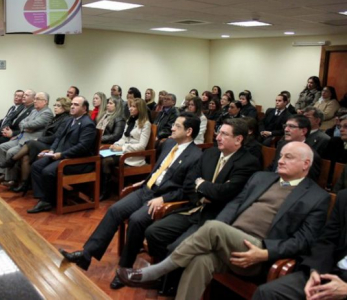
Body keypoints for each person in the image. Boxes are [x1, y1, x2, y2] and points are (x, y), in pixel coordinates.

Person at [118, 142, 330, 300]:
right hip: (227, 239)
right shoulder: (261, 178)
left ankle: (156, 271)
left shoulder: (316, 197)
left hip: (256, 252)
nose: (281, 160)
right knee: (200, 260)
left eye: (289, 157)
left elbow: (303, 240)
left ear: (306, 164)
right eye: (281, 155)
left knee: (212, 227)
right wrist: (222, 232)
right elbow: (234, 206)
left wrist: (265, 252)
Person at [59, 113, 203, 289]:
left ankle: (124, 269)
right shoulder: (170, 144)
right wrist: (145, 181)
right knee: (114, 210)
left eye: (177, 126)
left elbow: (187, 191)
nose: (172, 128)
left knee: (136, 220)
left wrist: (163, 198)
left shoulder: (196, 156)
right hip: (146, 190)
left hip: (161, 198)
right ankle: (86, 254)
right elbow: (160, 169)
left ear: (189, 131)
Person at [145, 118, 261, 268]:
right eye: (219, 133)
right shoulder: (210, 153)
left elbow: (224, 193)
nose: (217, 137)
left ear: (238, 139)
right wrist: (202, 196)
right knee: (153, 232)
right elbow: (188, 183)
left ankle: (168, 284)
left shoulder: (248, 162)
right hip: (193, 207)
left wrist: (200, 183)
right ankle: (165, 277)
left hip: (214, 216)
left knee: (178, 247)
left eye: (224, 134)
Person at [253, 189, 347, 300]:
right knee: (267, 293)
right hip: (331, 272)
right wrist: (315, 270)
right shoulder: (344, 197)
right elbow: (327, 240)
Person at [27, 96, 96, 213]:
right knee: (36, 166)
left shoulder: (87, 124)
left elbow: (82, 147)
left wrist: (61, 155)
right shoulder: (70, 120)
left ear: (84, 108)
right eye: (72, 104)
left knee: (47, 171)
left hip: (77, 160)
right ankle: (45, 198)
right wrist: (52, 150)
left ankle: (47, 200)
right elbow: (58, 137)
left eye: (76, 104)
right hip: (61, 155)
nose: (72, 106)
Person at [0, 97, 71, 194]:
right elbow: (39, 130)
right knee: (25, 157)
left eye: (58, 106)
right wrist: (37, 136)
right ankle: (23, 184)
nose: (55, 107)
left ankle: (11, 161)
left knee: (31, 142)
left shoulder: (65, 119)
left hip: (51, 145)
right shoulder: (56, 117)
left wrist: (39, 139)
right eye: (55, 105)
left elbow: (56, 137)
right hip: (44, 142)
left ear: (65, 107)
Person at [0, 92, 53, 188]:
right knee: (2, 147)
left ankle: (11, 180)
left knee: (10, 152)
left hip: (30, 140)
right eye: (35, 98)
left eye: (37, 99)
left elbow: (32, 125)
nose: (35, 100)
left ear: (45, 102)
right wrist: (26, 127)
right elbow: (22, 123)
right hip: (22, 136)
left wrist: (26, 126)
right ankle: (3, 174)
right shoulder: (34, 111)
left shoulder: (47, 113)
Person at [99, 98, 151, 200]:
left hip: (133, 155)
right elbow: (124, 138)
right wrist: (115, 145)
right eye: (130, 106)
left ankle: (106, 192)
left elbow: (142, 146)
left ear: (140, 109)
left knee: (106, 161)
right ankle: (101, 189)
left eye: (133, 106)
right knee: (100, 156)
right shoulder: (130, 121)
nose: (130, 109)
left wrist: (122, 148)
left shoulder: (146, 124)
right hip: (124, 152)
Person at [267, 115, 322, 181]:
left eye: (291, 126)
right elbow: (273, 167)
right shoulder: (282, 145)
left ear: (303, 131)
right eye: (285, 126)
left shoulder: (311, 155)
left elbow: (308, 182)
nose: (286, 129)